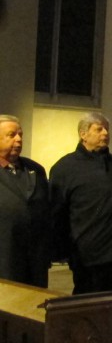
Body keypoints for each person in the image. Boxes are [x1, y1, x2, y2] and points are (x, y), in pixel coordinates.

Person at [50, 112, 112, 343]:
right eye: (99, 129)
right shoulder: (66, 168)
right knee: (88, 306)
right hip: (89, 254)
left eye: (106, 129)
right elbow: (58, 214)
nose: (105, 134)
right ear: (83, 134)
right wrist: (66, 250)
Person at [0, 114, 50, 287]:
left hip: (35, 263)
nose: (19, 139)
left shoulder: (35, 170)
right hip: (5, 261)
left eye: (20, 135)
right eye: (12, 135)